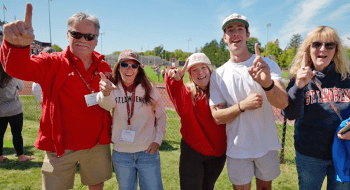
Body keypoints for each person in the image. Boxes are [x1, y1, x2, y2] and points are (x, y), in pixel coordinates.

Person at [1, 3, 112, 190]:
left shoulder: (104, 67)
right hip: (60, 148)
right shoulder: (51, 62)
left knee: (96, 184)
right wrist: (15, 46)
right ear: (68, 35)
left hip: (96, 145)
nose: (82, 40)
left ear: (96, 39)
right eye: (76, 34)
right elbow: (17, 68)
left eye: (89, 36)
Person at [209, 13, 289, 190]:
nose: (235, 34)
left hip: (266, 145)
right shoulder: (218, 74)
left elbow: (283, 103)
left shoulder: (266, 64)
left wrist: (267, 83)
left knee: (265, 188)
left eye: (240, 29)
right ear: (224, 37)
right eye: (230, 30)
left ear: (247, 34)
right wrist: (242, 106)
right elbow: (218, 117)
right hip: (237, 148)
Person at [282, 26, 350, 190]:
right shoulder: (298, 77)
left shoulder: (346, 77)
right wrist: (299, 85)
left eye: (329, 45)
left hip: (343, 152)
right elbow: (290, 114)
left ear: (336, 50)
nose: (322, 49)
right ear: (308, 49)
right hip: (309, 155)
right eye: (317, 44)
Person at [97, 49, 166, 190]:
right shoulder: (112, 87)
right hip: (122, 154)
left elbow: (161, 115)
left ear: (139, 69)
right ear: (118, 67)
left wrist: (157, 140)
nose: (129, 69)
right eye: (125, 64)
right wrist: (105, 93)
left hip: (147, 152)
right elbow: (106, 105)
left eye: (134, 65)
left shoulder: (149, 89)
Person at [165, 53, 227, 190]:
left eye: (203, 67)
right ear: (190, 75)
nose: (200, 73)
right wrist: (174, 79)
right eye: (194, 70)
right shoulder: (189, 93)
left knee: (208, 187)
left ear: (210, 69)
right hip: (193, 152)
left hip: (218, 153)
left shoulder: (222, 91)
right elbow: (178, 96)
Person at [0, 63, 35, 163]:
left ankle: (0, 156)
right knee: (17, 133)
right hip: (15, 109)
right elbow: (22, 88)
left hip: (1, 110)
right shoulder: (13, 77)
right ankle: (21, 156)